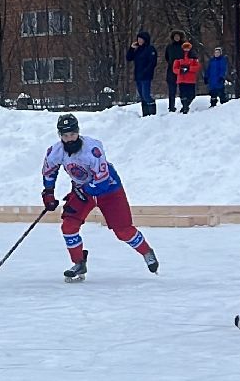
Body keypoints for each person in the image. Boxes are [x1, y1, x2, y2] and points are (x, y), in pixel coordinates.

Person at [41, 113, 159, 281]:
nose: (70, 139)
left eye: (73, 134)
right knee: (68, 226)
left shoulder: (93, 149)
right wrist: (48, 193)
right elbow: (49, 172)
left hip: (109, 189)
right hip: (82, 188)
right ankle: (78, 262)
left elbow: (102, 181)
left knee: (123, 230)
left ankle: (147, 252)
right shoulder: (55, 151)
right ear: (60, 135)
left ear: (78, 132)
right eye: (65, 136)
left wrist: (86, 191)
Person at [127, 31, 158, 116]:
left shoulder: (150, 49)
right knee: (142, 96)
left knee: (146, 95)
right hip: (138, 76)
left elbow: (152, 63)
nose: (139, 41)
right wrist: (132, 48)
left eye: (141, 39)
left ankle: (152, 113)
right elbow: (129, 58)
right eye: (138, 39)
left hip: (146, 76)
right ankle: (145, 114)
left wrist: (146, 71)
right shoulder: (138, 50)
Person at [170, 47, 202, 115]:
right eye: (185, 48)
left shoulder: (194, 58)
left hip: (191, 79)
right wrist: (180, 70)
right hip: (182, 79)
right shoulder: (178, 57)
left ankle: (186, 106)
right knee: (183, 95)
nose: (186, 49)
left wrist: (189, 68)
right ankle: (185, 107)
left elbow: (197, 67)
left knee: (192, 95)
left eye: (188, 48)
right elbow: (174, 68)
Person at [163, 31, 186, 112]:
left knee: (183, 89)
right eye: (175, 36)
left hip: (182, 70)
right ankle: (171, 107)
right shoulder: (169, 47)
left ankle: (185, 105)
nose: (177, 38)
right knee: (172, 90)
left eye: (178, 36)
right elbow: (167, 57)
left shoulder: (184, 46)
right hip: (171, 70)